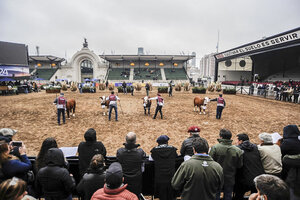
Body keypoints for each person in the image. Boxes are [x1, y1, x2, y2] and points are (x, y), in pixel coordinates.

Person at [209, 129, 243, 200]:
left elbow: (210, 163)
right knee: (228, 195)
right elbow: (239, 165)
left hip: (217, 177)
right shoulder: (237, 150)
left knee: (216, 195)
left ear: (221, 137)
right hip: (230, 177)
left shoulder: (215, 148)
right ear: (230, 138)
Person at [233, 133, 265, 200]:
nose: (236, 142)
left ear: (241, 141)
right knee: (255, 196)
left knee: (238, 195)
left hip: (243, 179)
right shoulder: (256, 147)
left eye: (237, 140)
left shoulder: (237, 149)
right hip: (257, 178)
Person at [116, 132, 146, 198]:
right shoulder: (140, 152)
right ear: (135, 141)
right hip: (136, 184)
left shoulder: (120, 152)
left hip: (124, 183)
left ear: (126, 140)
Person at [150, 135, 178, 200]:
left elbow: (150, 160)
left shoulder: (154, 151)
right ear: (167, 142)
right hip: (171, 178)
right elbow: (176, 158)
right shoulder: (173, 149)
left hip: (160, 179)